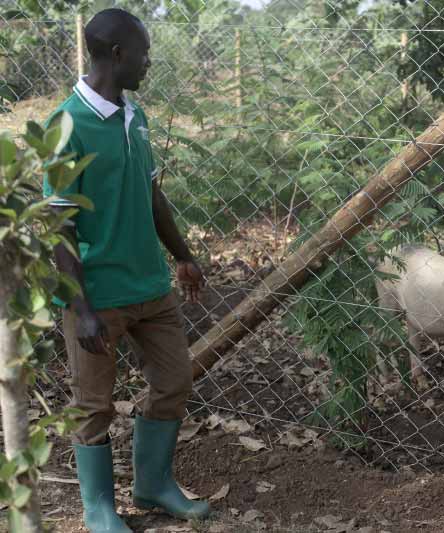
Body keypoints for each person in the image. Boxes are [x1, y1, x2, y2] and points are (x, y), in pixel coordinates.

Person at [43, 8, 210, 532]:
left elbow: (150, 191)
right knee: (93, 405)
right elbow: (59, 226)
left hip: (150, 287)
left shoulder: (135, 115)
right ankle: (98, 508)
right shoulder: (67, 125)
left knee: (174, 381)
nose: (149, 62)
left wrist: (181, 254)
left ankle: (152, 484)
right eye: (143, 52)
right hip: (98, 294)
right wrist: (81, 307)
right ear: (116, 54)